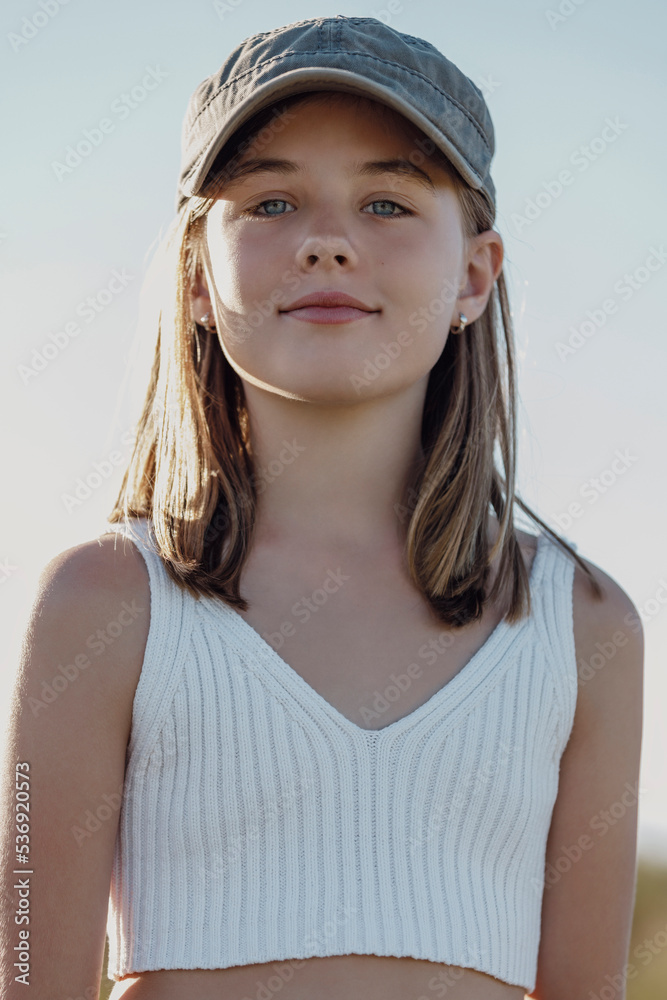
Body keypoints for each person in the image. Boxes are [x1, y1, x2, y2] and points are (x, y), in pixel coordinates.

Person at [0, 15, 643, 1000]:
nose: (328, 242)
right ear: (196, 278)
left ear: (472, 274)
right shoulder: (107, 604)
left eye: (386, 201)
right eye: (271, 201)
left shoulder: (581, 624)